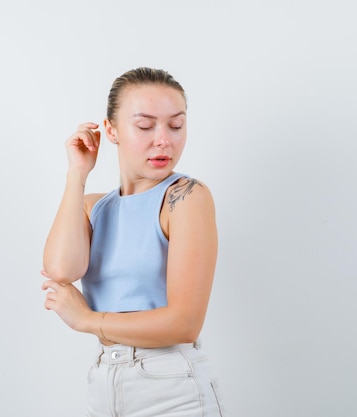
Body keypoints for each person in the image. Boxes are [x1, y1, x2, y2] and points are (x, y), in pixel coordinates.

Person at [41, 67, 226, 417]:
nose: (164, 140)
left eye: (176, 125)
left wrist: (87, 320)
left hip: (172, 386)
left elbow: (185, 324)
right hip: (104, 381)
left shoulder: (186, 197)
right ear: (110, 130)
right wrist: (77, 174)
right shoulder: (93, 206)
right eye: (145, 126)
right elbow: (61, 269)